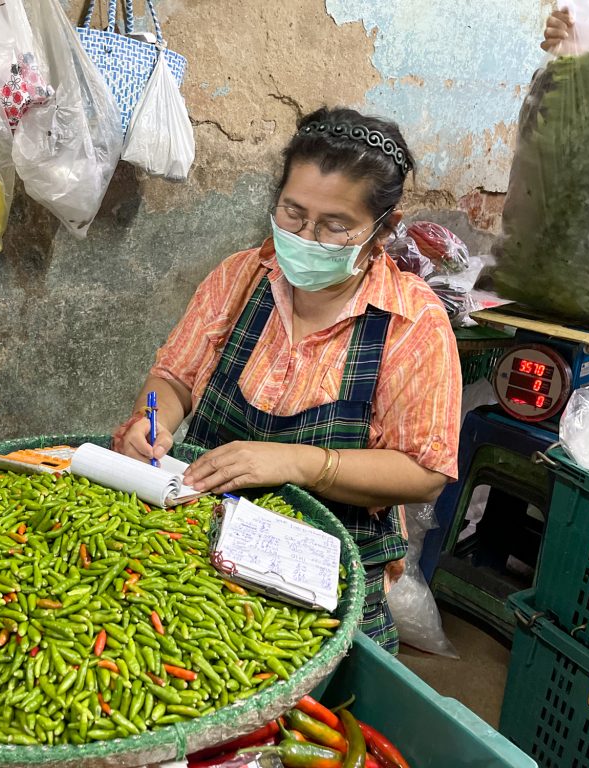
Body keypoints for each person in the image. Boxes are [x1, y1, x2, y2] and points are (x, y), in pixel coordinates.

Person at [112, 106, 462, 653]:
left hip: (324, 573)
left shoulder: (412, 323)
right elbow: (175, 377)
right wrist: (150, 421)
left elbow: (424, 472)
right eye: (293, 213)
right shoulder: (241, 276)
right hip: (197, 546)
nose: (306, 236)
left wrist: (298, 463)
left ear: (383, 229)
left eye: (335, 225)